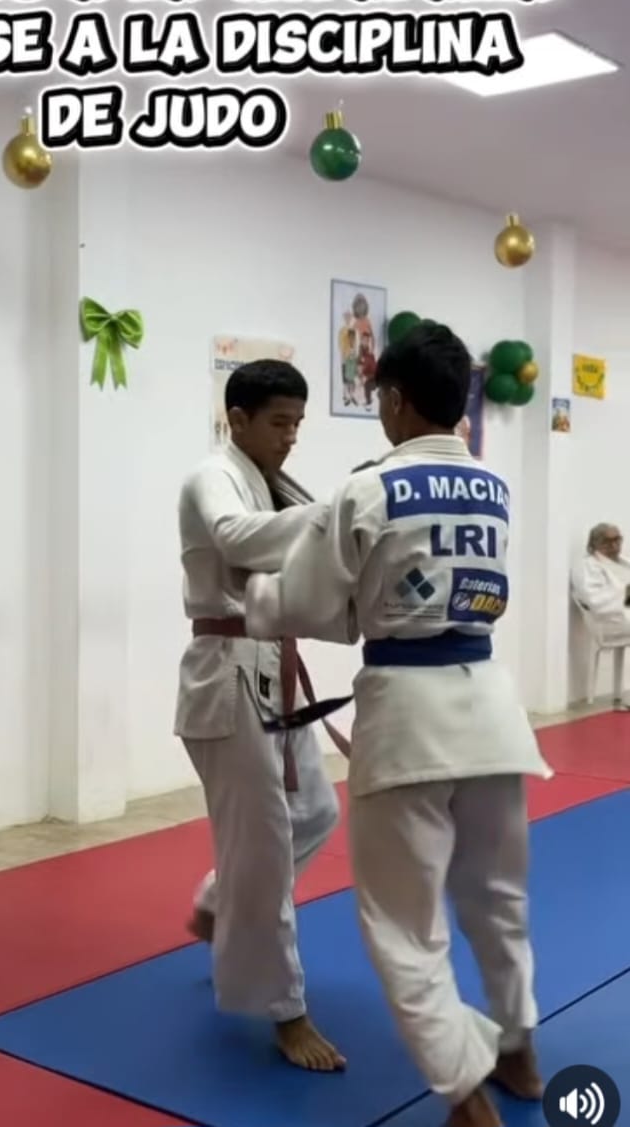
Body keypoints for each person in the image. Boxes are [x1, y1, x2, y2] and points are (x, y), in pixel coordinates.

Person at [246, 324, 550, 1127]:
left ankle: (465, 1092)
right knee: (497, 898)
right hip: (492, 711)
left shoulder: (368, 487)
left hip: (409, 717)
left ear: (396, 399)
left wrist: (255, 599)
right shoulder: (493, 484)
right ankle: (519, 1046)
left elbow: (313, 603)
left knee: (402, 925)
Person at [175, 359, 344, 1072]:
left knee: (316, 811)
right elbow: (239, 539)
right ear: (237, 418)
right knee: (266, 847)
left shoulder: (280, 484)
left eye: (297, 423)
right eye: (279, 422)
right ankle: (285, 1010)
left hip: (275, 665)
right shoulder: (211, 477)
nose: (290, 436)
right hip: (228, 672)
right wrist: (342, 512)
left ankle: (223, 901)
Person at [571, 524, 630, 639]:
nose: (614, 546)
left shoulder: (624, 562)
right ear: (593, 544)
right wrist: (626, 593)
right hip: (611, 624)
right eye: (607, 542)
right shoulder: (587, 566)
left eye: (617, 540)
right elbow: (595, 601)